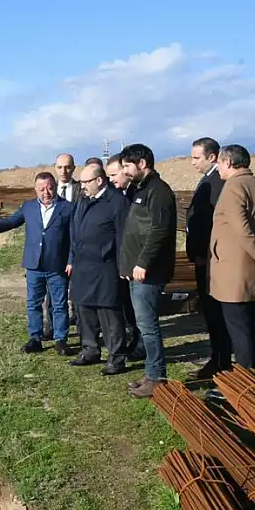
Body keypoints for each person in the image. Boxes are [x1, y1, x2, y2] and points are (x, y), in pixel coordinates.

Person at [0, 171, 75, 355]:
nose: (46, 192)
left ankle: (61, 340)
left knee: (59, 304)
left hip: (57, 266)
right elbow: (12, 221)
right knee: (33, 303)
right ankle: (35, 338)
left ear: (55, 187)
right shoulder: (28, 207)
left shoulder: (67, 208)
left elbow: (74, 238)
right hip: (34, 265)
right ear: (36, 190)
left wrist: (71, 260)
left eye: (50, 188)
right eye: (42, 189)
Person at [209, 144, 255, 380]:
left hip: (235, 273)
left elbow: (242, 229)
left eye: (219, 163)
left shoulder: (233, 187)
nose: (218, 167)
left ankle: (247, 383)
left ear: (228, 162)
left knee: (240, 331)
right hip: (254, 271)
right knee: (253, 326)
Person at [118, 143, 178, 398]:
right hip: (136, 270)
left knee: (148, 325)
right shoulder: (141, 189)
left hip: (149, 271)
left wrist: (143, 262)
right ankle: (151, 371)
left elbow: (159, 232)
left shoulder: (159, 192)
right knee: (144, 324)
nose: (125, 172)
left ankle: (158, 377)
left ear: (142, 164)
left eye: (127, 166)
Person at [67, 164, 131, 375]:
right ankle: (90, 350)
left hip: (106, 268)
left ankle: (116, 358)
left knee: (109, 315)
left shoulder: (117, 202)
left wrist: (123, 266)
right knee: (83, 310)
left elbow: (123, 236)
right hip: (83, 265)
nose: (82, 186)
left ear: (99, 180)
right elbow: (74, 231)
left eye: (86, 182)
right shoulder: (83, 200)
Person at [184, 137, 228, 378]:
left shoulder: (218, 183)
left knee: (216, 314)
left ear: (212, 157)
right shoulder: (208, 180)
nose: (192, 163)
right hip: (203, 259)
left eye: (196, 157)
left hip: (210, 260)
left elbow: (212, 224)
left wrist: (205, 254)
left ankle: (221, 362)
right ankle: (217, 357)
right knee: (210, 313)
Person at [104, 153, 146, 361]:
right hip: (124, 262)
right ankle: (137, 341)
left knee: (139, 309)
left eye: (113, 174)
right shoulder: (123, 193)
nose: (111, 180)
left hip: (138, 263)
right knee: (129, 307)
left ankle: (143, 345)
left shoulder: (136, 194)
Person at [42, 153, 81, 342]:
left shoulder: (81, 190)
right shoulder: (48, 189)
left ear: (73, 168)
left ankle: (82, 327)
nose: (63, 171)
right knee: (53, 294)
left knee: (78, 291)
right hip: (54, 251)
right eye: (59, 167)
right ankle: (51, 327)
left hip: (77, 247)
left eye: (67, 167)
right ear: (55, 168)